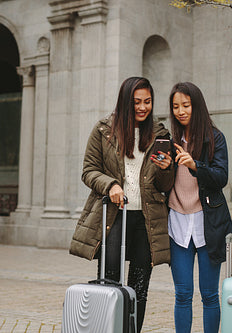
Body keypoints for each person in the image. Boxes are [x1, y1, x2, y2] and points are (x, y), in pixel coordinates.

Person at [69, 77, 174, 332]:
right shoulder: (103, 130)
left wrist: (167, 168)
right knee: (110, 281)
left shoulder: (160, 133)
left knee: (139, 287)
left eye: (147, 102)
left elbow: (165, 184)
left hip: (146, 220)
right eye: (136, 102)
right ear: (125, 102)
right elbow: (88, 171)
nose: (143, 107)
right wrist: (111, 185)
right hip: (114, 216)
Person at [167, 82, 232, 333]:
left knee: (209, 294)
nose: (180, 111)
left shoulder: (215, 137)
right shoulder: (169, 139)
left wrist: (196, 165)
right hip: (177, 222)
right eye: (175, 106)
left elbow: (222, 177)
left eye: (185, 105)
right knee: (182, 293)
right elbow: (160, 183)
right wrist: (162, 166)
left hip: (208, 223)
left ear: (196, 106)